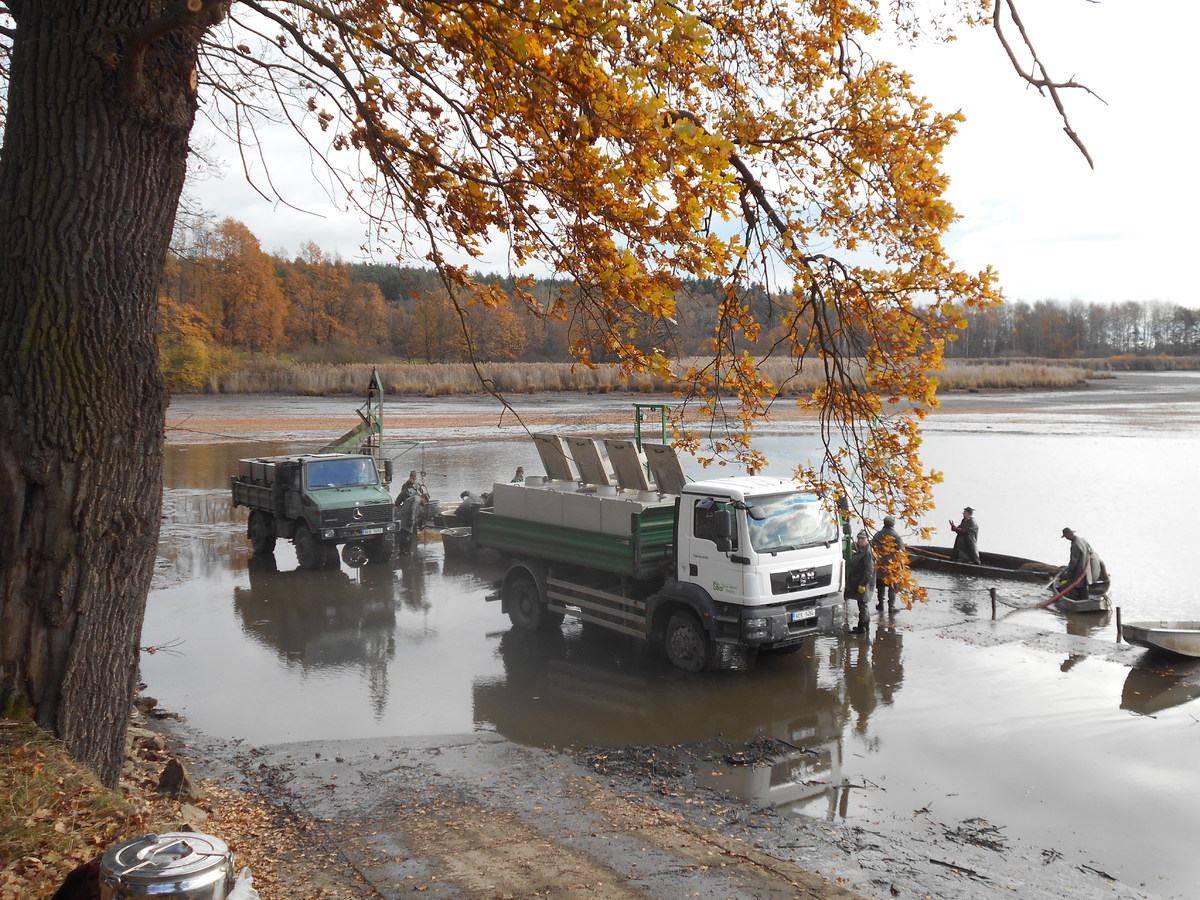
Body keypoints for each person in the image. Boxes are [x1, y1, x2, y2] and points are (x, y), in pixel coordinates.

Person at [1060, 527, 1108, 600]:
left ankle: (1083, 602)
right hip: (1086, 571)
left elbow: (1073, 562)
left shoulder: (1075, 545)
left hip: (1079, 573)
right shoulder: (1083, 540)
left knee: (1080, 588)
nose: (1066, 538)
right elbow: (1091, 552)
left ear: (1070, 535)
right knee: (1084, 587)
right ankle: (1086, 601)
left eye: (1066, 537)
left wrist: (1069, 573)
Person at [871, 515, 905, 613]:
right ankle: (891, 606)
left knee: (881, 584)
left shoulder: (878, 534)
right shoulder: (896, 535)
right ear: (893, 524)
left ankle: (881, 603)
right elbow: (901, 548)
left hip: (881, 563)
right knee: (892, 585)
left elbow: (873, 545)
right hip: (893, 565)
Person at [844, 530, 875, 633]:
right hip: (859, 582)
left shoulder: (867, 553)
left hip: (864, 583)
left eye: (862, 538)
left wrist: (862, 584)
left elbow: (868, 570)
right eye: (859, 538)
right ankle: (865, 626)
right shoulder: (861, 550)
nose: (860, 540)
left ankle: (862, 628)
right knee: (862, 604)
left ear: (867, 540)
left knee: (863, 605)